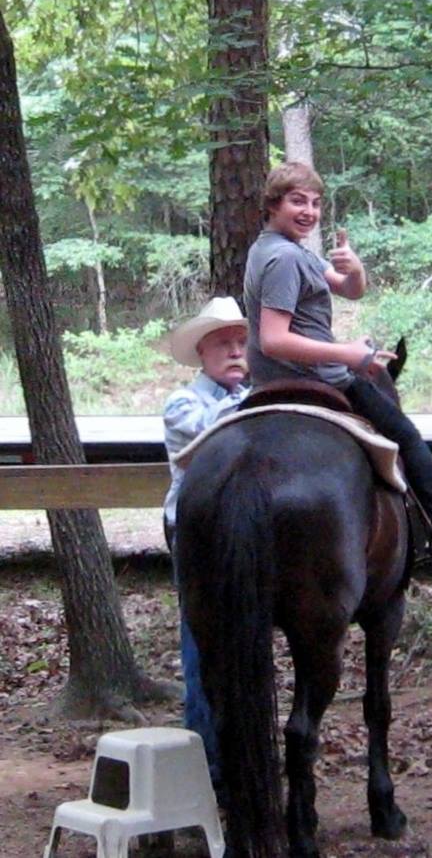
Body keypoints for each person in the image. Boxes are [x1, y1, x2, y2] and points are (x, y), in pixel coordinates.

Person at [243, 160, 432, 574]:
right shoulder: (284, 259)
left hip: (271, 382)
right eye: (297, 201)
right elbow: (273, 338)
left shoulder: (281, 248)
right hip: (314, 377)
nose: (309, 211)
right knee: (408, 439)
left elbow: (349, 290)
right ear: (273, 204)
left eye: (316, 203)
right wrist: (348, 355)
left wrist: (354, 269)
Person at [162, 295, 250, 793]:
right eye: (223, 345)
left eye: (242, 343)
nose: (236, 352)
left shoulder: (258, 397)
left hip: (247, 533)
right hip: (198, 534)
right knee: (202, 644)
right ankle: (206, 763)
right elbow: (219, 444)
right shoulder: (184, 404)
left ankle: (241, 757)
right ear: (202, 353)